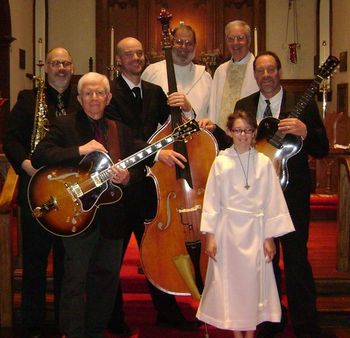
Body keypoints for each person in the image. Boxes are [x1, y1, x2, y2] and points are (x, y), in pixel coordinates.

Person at [202, 51, 329, 337]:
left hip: (292, 195)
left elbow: (322, 148)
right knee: (261, 262)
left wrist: (306, 131)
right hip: (252, 201)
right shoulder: (244, 104)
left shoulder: (300, 105)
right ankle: (270, 319)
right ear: (255, 75)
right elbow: (232, 143)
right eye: (261, 70)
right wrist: (211, 130)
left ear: (279, 72)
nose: (266, 75)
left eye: (271, 69)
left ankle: (306, 324)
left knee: (296, 259)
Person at [30, 72, 147, 338]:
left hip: (112, 219)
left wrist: (128, 177)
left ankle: (94, 332)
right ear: (80, 98)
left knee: (106, 282)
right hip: (75, 216)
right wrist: (79, 150)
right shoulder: (64, 125)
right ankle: (72, 333)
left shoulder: (121, 130)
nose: (94, 98)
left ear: (108, 98)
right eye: (88, 93)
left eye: (99, 93)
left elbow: (140, 168)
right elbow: (39, 156)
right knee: (74, 280)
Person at [106, 36, 201, 335]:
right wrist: (156, 150)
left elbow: (175, 129)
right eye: (129, 54)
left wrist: (187, 110)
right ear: (119, 60)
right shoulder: (108, 92)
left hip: (153, 188)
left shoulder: (156, 91)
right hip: (121, 189)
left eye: (138, 52)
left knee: (156, 253)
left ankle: (168, 313)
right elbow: (118, 135)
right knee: (113, 258)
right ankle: (113, 318)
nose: (136, 57)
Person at [196, 109, 295, 338]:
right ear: (230, 132)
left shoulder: (263, 162)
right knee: (232, 286)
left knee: (252, 286)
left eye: (248, 130)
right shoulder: (221, 162)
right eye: (238, 130)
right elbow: (212, 200)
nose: (243, 135)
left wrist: (269, 237)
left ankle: (250, 334)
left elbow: (272, 200)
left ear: (254, 132)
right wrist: (210, 236)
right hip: (227, 233)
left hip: (256, 232)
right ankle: (236, 334)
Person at [3, 47, 79, 338]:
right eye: (55, 63)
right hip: (34, 187)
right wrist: (26, 166)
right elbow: (11, 138)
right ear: (46, 67)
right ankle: (32, 325)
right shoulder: (27, 99)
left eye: (66, 63)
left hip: (69, 190)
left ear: (72, 67)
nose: (61, 68)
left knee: (66, 260)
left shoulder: (81, 98)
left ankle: (65, 322)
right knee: (35, 259)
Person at [141, 23, 212, 119]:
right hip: (161, 133)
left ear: (195, 46)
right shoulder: (152, 72)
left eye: (189, 43)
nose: (184, 47)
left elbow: (211, 113)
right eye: (179, 42)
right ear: (171, 43)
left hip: (197, 133)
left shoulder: (205, 77)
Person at [208, 20, 259, 130]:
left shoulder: (258, 69)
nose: (235, 43)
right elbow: (213, 105)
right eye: (231, 39)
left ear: (249, 40)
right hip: (221, 135)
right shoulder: (221, 71)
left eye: (240, 38)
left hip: (246, 134)